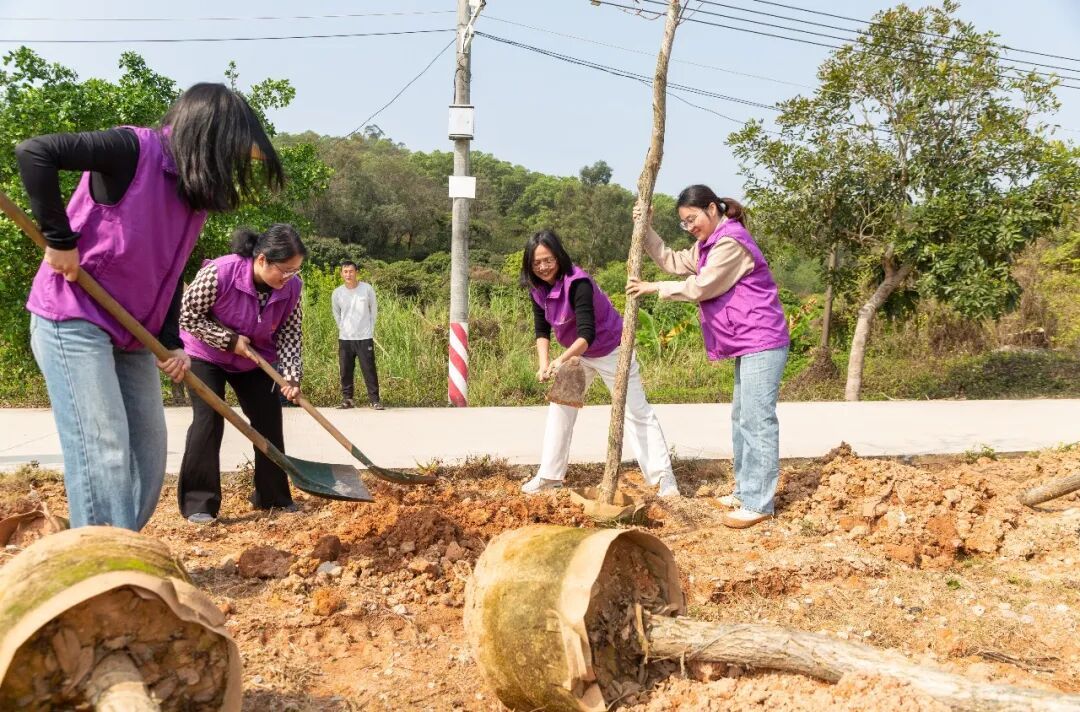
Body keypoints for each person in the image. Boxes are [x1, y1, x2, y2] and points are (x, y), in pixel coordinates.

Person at [15, 83, 283, 531]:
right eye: (232, 154)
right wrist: (59, 240)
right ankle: (103, 558)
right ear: (208, 137)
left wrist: (171, 341)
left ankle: (120, 542)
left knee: (149, 450)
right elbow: (35, 152)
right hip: (74, 316)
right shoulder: (131, 149)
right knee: (104, 445)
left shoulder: (191, 194)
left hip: (133, 333)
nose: (232, 168)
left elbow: (168, 271)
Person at [627, 186, 789, 529]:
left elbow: (702, 286)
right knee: (742, 418)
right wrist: (647, 229)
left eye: (693, 219)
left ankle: (759, 502)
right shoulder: (708, 244)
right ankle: (745, 491)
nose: (690, 227)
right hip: (748, 340)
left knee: (757, 420)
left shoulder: (731, 243)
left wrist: (655, 287)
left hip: (762, 337)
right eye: (685, 223)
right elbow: (672, 261)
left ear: (712, 209)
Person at [521, 229, 679, 497]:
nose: (543, 267)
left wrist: (560, 360)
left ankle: (664, 477)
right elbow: (541, 329)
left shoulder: (578, 282)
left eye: (548, 260)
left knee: (636, 411)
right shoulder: (537, 288)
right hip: (577, 354)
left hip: (611, 350)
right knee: (561, 407)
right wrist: (544, 363)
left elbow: (587, 334)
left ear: (559, 256)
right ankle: (549, 476)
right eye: (537, 263)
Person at [177, 224, 305, 524]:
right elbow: (187, 315)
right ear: (262, 260)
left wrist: (290, 376)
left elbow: (290, 334)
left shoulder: (292, 289)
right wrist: (228, 340)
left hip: (254, 358)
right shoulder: (220, 273)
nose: (289, 277)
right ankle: (199, 503)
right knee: (209, 418)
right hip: (205, 353)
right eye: (285, 270)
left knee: (268, 418)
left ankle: (272, 497)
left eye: (295, 271)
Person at [332, 260, 382, 410]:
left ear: (356, 272)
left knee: (369, 369)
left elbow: (373, 311)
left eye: (351, 271)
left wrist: (369, 330)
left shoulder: (367, 289)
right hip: (345, 338)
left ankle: (374, 400)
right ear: (341, 274)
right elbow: (336, 314)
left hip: (364, 337)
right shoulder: (337, 292)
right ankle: (348, 400)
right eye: (345, 272)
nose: (348, 274)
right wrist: (342, 328)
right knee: (345, 370)